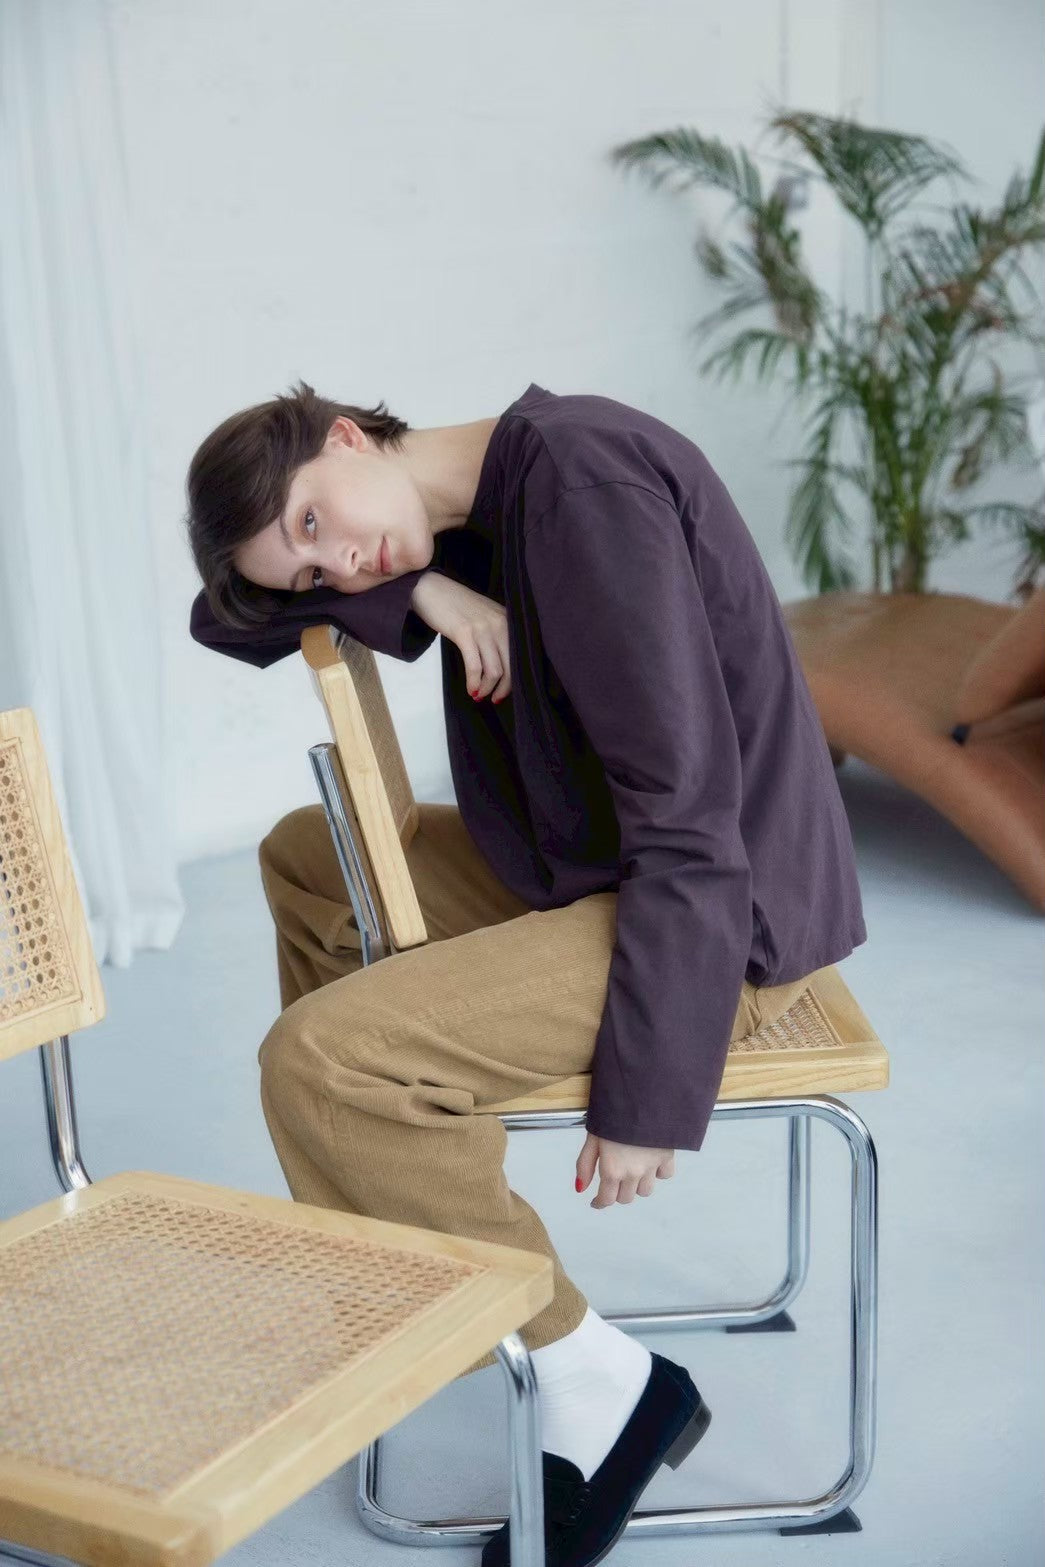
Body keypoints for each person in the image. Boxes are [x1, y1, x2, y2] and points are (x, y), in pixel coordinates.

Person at [185, 378, 867, 1565]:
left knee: (322, 1062)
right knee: (307, 857)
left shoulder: (580, 488)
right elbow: (222, 617)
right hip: (584, 870)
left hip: (719, 919)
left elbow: (688, 811)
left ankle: (595, 1378)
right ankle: (412, 1267)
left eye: (314, 524)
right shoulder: (472, 509)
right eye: (313, 573)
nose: (339, 563)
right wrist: (418, 590)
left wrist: (651, 1088)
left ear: (345, 434)